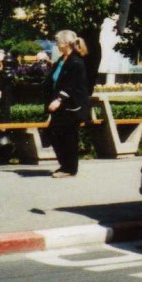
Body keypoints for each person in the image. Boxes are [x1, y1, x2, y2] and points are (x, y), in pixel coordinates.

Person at [46, 30, 91, 178]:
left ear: (66, 43)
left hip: (72, 105)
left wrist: (59, 100)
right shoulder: (61, 60)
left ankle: (70, 168)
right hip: (62, 105)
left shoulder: (76, 62)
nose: (57, 44)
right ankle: (65, 165)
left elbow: (71, 85)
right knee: (54, 133)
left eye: (58, 42)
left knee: (68, 136)